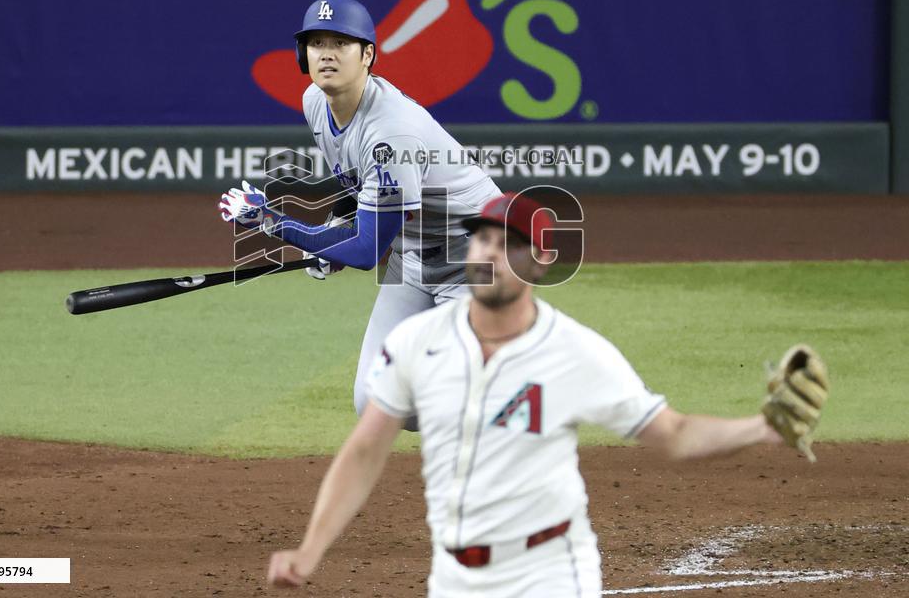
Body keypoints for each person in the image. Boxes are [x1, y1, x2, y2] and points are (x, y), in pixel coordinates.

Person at [266, 192, 827, 596]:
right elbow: (365, 450)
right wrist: (311, 549)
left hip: (549, 574)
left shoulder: (574, 352)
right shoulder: (417, 340)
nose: (489, 252)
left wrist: (764, 426)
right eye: (483, 238)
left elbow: (672, 435)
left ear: (543, 260)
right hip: (454, 578)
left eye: (508, 244)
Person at [218, 0, 502, 427]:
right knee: (375, 400)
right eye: (316, 43)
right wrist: (334, 230)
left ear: (368, 55)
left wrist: (274, 222)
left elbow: (367, 249)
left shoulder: (393, 132)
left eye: (341, 43)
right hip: (414, 256)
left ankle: (516, 401)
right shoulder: (315, 101)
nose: (326, 53)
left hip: (478, 262)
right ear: (302, 55)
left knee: (457, 390)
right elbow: (358, 179)